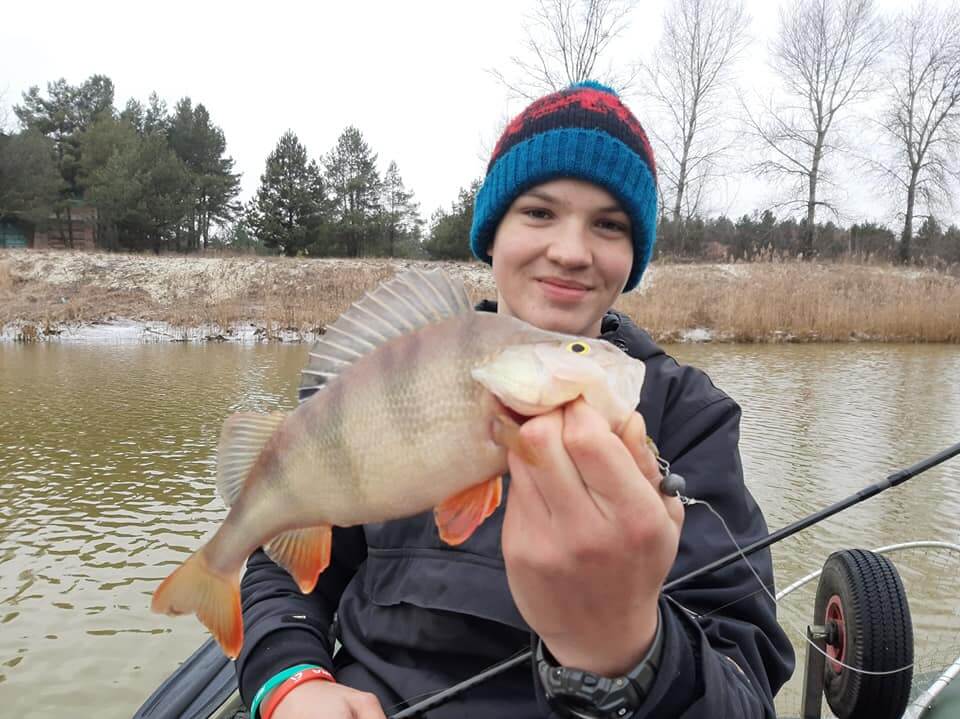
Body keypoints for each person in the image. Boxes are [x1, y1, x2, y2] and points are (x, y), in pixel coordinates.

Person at [236, 81, 795, 719]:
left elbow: (745, 673)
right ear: (492, 232)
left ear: (632, 255)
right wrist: (291, 681)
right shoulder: (383, 372)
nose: (571, 251)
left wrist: (628, 648)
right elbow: (286, 563)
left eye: (609, 224)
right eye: (538, 212)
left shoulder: (690, 418)